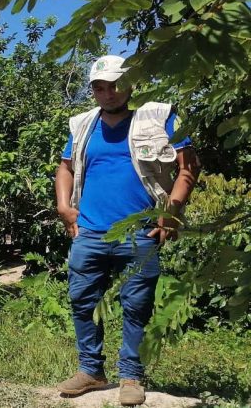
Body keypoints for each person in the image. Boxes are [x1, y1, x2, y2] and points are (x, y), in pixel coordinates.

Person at [54, 55, 200, 404]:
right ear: (92, 91)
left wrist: (171, 212)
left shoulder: (158, 117)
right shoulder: (83, 125)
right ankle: (90, 371)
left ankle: (131, 376)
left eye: (115, 85)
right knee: (82, 301)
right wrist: (64, 208)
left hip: (141, 231)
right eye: (99, 88)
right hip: (89, 232)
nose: (108, 93)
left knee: (136, 304)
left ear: (130, 83)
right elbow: (65, 167)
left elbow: (188, 167)